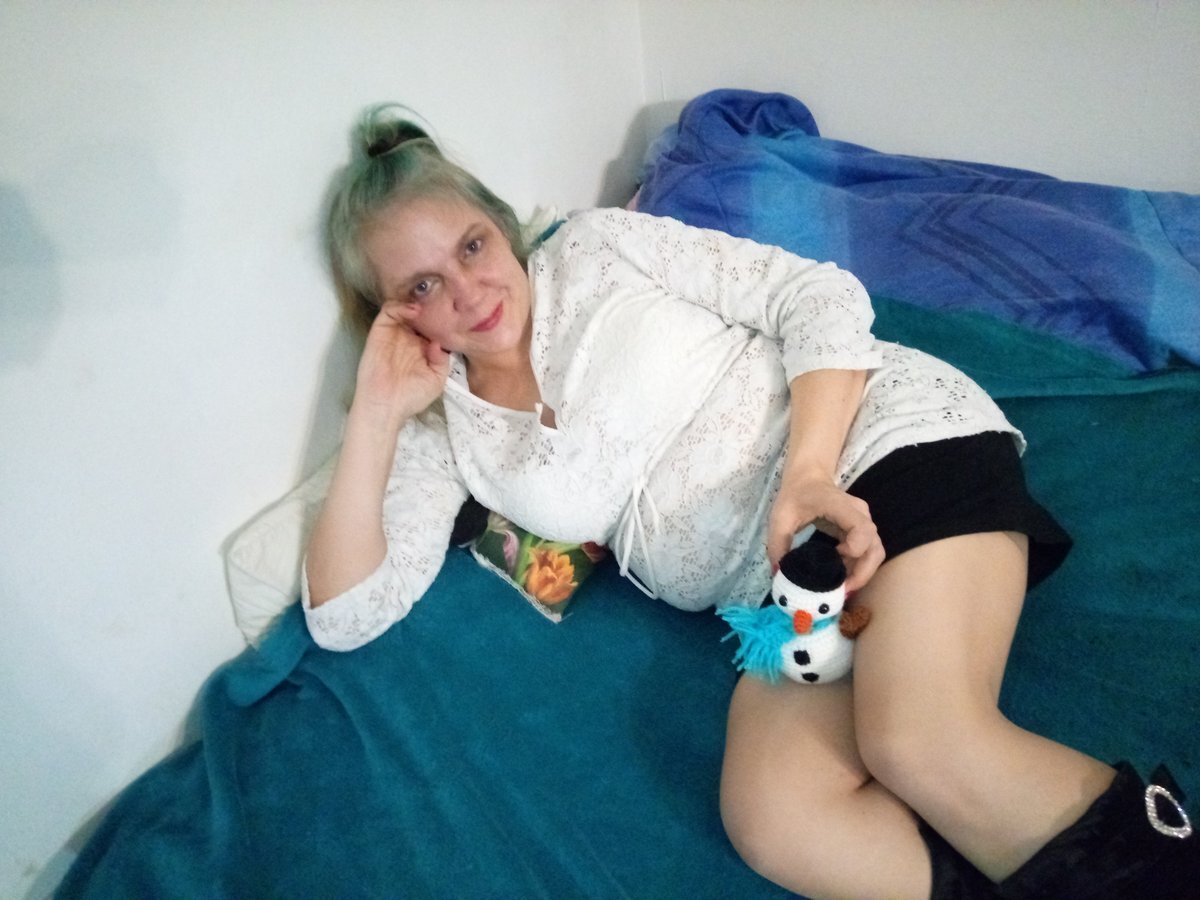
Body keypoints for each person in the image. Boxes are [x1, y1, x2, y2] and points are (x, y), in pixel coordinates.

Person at [303, 105, 1196, 899]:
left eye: (470, 247)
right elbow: (345, 616)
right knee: (776, 820)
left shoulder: (597, 249)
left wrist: (810, 473)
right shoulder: (445, 431)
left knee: (917, 740)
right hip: (793, 596)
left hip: (878, 449)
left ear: (500, 228)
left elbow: (816, 294)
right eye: (421, 287)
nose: (467, 292)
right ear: (391, 316)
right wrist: (377, 413)